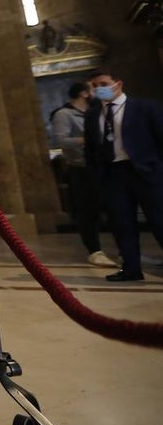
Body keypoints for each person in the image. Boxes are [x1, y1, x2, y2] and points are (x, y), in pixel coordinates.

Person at [83, 69, 163, 282]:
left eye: (103, 83)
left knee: (159, 218)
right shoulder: (93, 115)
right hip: (113, 173)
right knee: (122, 223)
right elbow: (91, 149)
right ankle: (131, 268)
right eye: (94, 86)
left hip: (144, 170)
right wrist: (97, 174)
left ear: (118, 84)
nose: (99, 89)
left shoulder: (144, 107)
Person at [49, 82, 117, 267]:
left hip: (104, 165)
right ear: (84, 93)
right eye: (94, 89)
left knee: (115, 208)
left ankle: (124, 250)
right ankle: (94, 250)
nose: (98, 92)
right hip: (80, 167)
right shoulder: (65, 114)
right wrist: (90, 139)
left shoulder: (99, 111)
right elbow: (60, 139)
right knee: (88, 211)